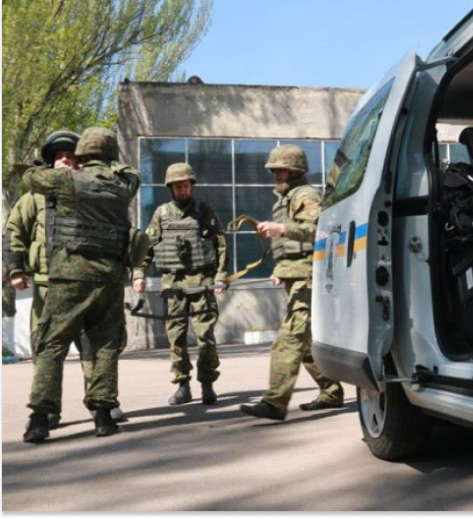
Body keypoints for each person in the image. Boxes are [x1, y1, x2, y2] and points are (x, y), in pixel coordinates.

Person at [21, 127, 140, 443]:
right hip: (110, 278)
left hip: (71, 276)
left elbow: (29, 179)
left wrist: (40, 164)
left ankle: (40, 419)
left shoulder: (65, 179)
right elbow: (131, 173)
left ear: (81, 154)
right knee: (105, 346)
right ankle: (103, 416)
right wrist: (113, 163)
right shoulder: (123, 185)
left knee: (52, 343)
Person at [240, 145, 343, 421]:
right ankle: (331, 392)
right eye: (274, 170)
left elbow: (317, 231)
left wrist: (281, 229)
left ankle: (274, 402)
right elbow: (289, 246)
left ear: (295, 171)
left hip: (308, 277)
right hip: (295, 275)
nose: (276, 174)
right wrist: (281, 269)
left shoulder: (306, 195)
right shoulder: (284, 200)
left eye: (281, 170)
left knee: (289, 339)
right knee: (306, 342)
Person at [132, 163, 227, 406]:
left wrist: (220, 276)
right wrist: (139, 274)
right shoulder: (161, 213)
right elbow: (147, 247)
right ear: (170, 188)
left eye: (185, 185)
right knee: (176, 336)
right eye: (177, 186)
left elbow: (220, 244)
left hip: (201, 282)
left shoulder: (203, 210)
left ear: (191, 186)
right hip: (173, 284)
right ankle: (183, 385)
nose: (182, 190)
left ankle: (207, 384)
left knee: (205, 335)